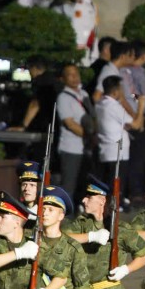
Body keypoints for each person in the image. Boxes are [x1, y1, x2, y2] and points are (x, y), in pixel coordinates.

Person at [94, 75, 145, 210]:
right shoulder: (114, 106)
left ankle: (115, 203)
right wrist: (141, 107)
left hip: (105, 150)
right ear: (116, 91)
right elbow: (136, 125)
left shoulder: (100, 104)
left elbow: (122, 123)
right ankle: (116, 206)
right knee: (117, 182)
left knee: (109, 181)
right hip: (117, 152)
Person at [55, 63, 93, 199]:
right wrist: (89, 137)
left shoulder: (84, 94)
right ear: (63, 79)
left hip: (86, 148)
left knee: (84, 184)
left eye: (76, 74)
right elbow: (70, 124)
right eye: (70, 75)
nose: (75, 77)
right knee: (69, 185)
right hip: (71, 148)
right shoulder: (63, 98)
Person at [17, 55, 59, 160]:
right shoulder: (55, 80)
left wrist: (23, 125)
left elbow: (35, 104)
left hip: (44, 126)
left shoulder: (40, 82)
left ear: (34, 68)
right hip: (56, 124)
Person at [65, 0, 98, 66]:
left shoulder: (91, 4)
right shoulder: (80, 5)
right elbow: (77, 26)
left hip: (90, 45)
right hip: (82, 46)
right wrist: (80, 46)